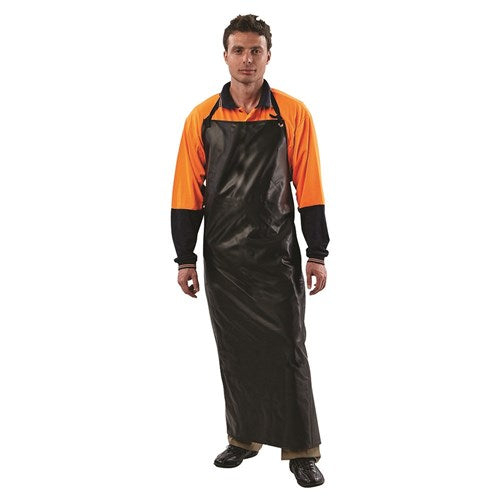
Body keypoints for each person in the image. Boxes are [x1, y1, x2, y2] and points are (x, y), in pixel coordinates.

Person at [170, 14, 330, 488]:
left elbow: (310, 186)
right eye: (238, 50)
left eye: (255, 50)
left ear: (268, 56)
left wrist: (317, 251)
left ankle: (301, 450)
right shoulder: (202, 117)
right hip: (223, 259)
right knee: (235, 352)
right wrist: (185, 257)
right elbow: (186, 192)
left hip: (277, 254)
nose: (247, 59)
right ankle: (243, 438)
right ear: (225, 56)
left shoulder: (292, 113)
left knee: (288, 351)